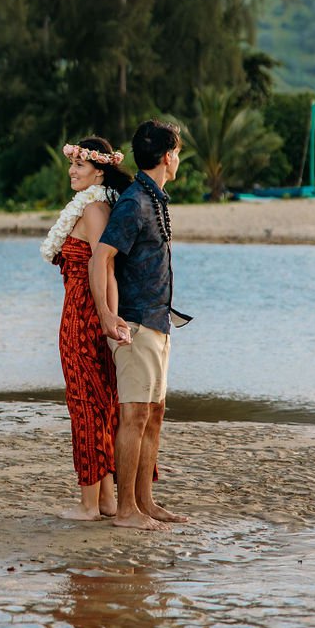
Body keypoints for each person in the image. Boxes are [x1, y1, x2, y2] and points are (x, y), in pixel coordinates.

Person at [89, 118, 190, 530]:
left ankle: (145, 503)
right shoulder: (134, 202)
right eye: (178, 153)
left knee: (154, 414)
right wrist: (107, 316)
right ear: (168, 157)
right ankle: (126, 510)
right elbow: (101, 258)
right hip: (134, 323)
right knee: (133, 416)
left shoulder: (156, 198)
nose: (178, 159)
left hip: (158, 320)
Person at [41, 136, 132, 520]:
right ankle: (107, 500)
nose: (72, 171)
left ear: (99, 171)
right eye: (72, 164)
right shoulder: (89, 207)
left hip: (84, 318)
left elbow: (105, 266)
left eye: (79, 165)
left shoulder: (94, 209)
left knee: (87, 406)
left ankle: (89, 505)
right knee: (98, 403)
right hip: (83, 314)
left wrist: (108, 317)